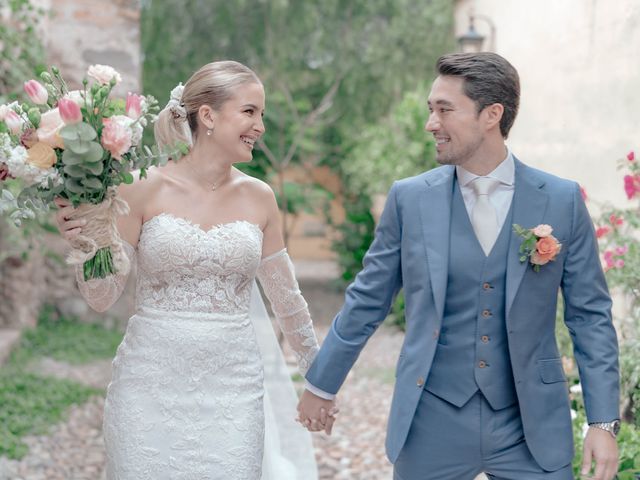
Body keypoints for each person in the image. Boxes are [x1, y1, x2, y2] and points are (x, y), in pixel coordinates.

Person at [298, 52, 620, 480]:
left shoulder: (560, 200)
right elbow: (367, 300)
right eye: (431, 109)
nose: (431, 123)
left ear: (492, 114)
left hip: (531, 426)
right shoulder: (409, 199)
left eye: (444, 110)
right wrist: (322, 384)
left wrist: (602, 422)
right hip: (430, 420)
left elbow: (590, 317)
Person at [55, 60, 323, 480]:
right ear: (209, 116)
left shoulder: (260, 197)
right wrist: (87, 241)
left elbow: (288, 302)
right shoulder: (141, 186)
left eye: (262, 114)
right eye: (250, 111)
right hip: (148, 387)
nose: (260, 126)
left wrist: (320, 382)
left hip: (233, 390)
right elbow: (101, 296)